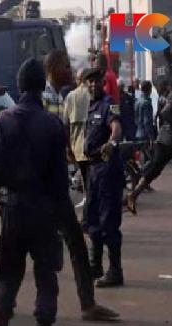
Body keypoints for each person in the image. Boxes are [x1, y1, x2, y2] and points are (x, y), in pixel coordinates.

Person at [0, 58, 68, 326]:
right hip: (43, 210)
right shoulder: (52, 124)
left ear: (20, 86)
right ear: (41, 86)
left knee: (9, 275)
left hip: (13, 208)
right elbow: (60, 182)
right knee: (46, 278)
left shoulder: (3, 120)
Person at [83, 68, 125, 288]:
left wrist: (112, 142)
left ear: (102, 82)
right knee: (92, 220)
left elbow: (116, 128)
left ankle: (115, 271)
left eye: (96, 81)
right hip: (93, 171)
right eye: (88, 82)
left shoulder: (109, 104)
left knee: (109, 221)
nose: (92, 85)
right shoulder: (91, 107)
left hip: (107, 171)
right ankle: (95, 266)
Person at [127, 80, 172, 213]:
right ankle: (133, 194)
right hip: (166, 139)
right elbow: (164, 113)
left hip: (154, 135)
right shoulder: (149, 101)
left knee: (154, 167)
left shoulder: (141, 100)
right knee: (153, 167)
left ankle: (134, 194)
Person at [64, 68, 92, 208]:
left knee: (85, 175)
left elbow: (65, 123)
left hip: (77, 146)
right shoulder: (93, 95)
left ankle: (88, 200)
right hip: (93, 145)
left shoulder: (71, 96)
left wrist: (68, 147)